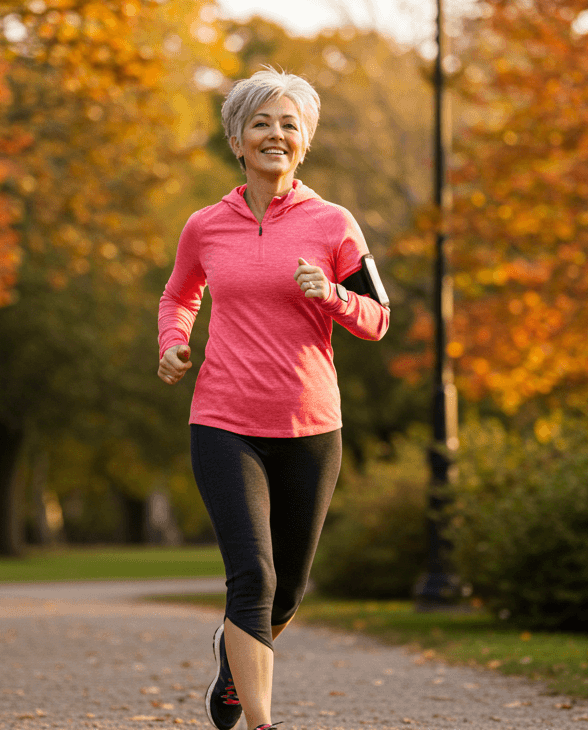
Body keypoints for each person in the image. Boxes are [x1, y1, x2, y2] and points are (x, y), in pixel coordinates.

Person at [156, 68, 391, 730]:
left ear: (305, 141)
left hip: (312, 427)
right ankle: (261, 724)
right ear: (237, 139)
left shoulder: (334, 223)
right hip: (224, 421)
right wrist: (174, 341)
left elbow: (378, 318)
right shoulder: (206, 225)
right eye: (261, 122)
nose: (276, 135)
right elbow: (180, 294)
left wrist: (333, 296)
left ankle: (232, 668)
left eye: (290, 124)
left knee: (287, 590)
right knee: (252, 580)